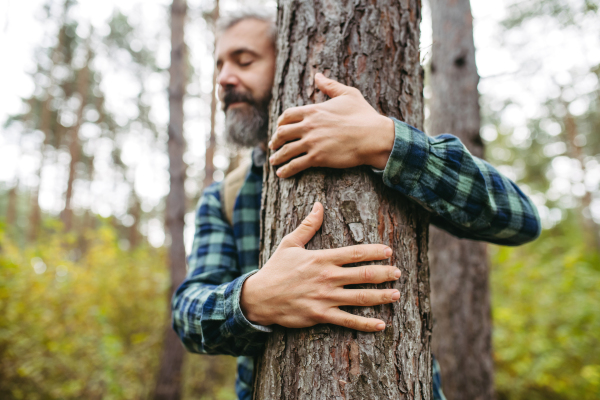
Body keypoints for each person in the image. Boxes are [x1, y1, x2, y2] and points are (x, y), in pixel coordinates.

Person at [172, 10, 541, 400]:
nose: (224, 79)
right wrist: (253, 299)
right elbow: (186, 313)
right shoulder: (224, 196)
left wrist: (387, 142)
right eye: (220, 65)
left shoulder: (387, 150)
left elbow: (518, 218)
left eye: (244, 61)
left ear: (287, 64)